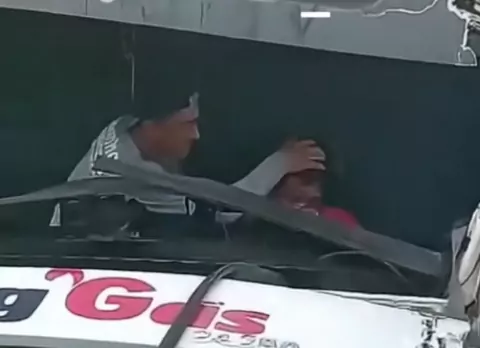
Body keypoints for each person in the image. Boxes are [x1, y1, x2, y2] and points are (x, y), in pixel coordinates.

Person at [51, 89, 326, 227]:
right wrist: (280, 163)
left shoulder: (123, 126)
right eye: (187, 124)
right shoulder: (141, 179)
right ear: (153, 125)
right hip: (81, 258)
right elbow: (223, 211)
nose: (196, 134)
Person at [271, 140, 360, 228]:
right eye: (306, 180)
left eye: (319, 182)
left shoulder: (340, 221)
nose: (316, 193)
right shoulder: (267, 214)